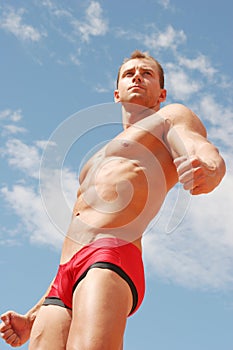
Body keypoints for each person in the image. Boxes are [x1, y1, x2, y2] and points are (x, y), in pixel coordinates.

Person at [0, 50, 226, 350]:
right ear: (117, 93)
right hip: (62, 275)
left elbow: (200, 147)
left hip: (110, 254)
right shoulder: (94, 159)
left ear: (161, 92)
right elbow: (78, 232)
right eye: (129, 73)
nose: (137, 76)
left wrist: (210, 169)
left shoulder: (168, 118)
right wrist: (33, 315)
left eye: (146, 73)